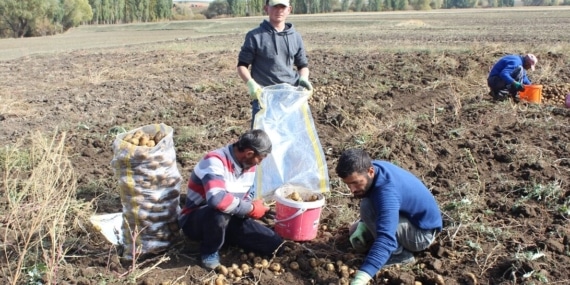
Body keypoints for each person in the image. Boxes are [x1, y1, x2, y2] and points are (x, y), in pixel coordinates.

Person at [178, 129, 283, 270]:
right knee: (219, 213)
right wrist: (251, 209)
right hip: (197, 220)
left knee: (274, 244)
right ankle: (209, 250)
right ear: (249, 153)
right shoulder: (214, 161)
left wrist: (257, 209)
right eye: (261, 158)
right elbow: (217, 200)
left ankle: (223, 239)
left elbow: (245, 198)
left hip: (229, 218)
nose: (259, 163)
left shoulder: (249, 165)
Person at [335, 149, 442, 285]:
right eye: (348, 184)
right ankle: (390, 248)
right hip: (408, 217)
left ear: (370, 172)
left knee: (367, 208)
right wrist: (363, 223)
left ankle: (400, 255)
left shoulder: (387, 192)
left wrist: (361, 279)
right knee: (357, 226)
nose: (352, 190)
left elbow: (386, 238)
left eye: (356, 182)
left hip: (422, 233)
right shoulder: (370, 169)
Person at [236, 0, 313, 127]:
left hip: (291, 97)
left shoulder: (296, 37)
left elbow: (302, 65)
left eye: (283, 7)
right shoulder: (254, 36)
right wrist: (251, 84)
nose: (279, 10)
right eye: (274, 7)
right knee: (261, 141)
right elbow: (242, 65)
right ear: (266, 9)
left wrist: (304, 78)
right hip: (264, 98)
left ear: (289, 10)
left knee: (290, 138)